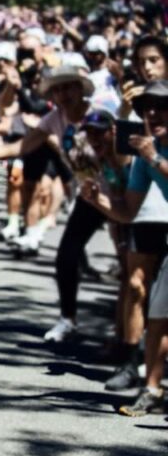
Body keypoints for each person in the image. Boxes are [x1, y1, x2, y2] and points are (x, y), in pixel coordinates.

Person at [0, 65, 98, 342]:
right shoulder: (55, 118)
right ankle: (68, 320)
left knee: (136, 272)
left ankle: (136, 343)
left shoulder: (99, 115)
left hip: (123, 194)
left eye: (69, 87)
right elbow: (21, 146)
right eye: (57, 89)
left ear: (81, 89)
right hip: (91, 197)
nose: (63, 94)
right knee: (66, 257)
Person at [81, 80, 168, 416]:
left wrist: (154, 157)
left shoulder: (151, 153)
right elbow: (128, 211)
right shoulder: (146, 156)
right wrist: (98, 199)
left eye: (162, 107)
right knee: (158, 314)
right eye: (148, 107)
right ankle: (152, 390)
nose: (153, 113)